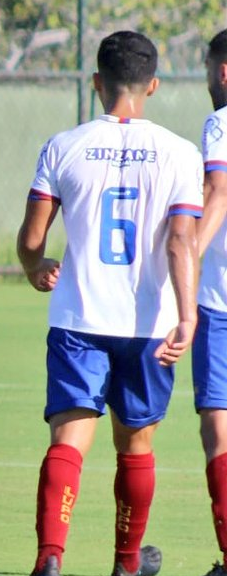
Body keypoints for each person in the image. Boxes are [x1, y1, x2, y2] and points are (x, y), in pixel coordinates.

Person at [16, 30, 202, 576]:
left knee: (69, 440)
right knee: (136, 446)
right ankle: (125, 564)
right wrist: (187, 316)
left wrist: (34, 267)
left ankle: (50, 556)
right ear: (154, 85)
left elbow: (31, 239)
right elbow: (180, 242)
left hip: (79, 317)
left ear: (96, 82)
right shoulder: (180, 153)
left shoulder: (63, 145)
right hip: (150, 325)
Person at [194, 29, 227, 576]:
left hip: (219, 301)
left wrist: (184, 256)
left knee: (219, 424)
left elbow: (217, 193)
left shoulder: (221, 123)